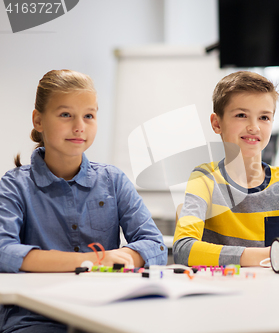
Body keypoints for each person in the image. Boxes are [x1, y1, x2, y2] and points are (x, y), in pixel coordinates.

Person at [0, 69, 167, 332]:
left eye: (89, 115)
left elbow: (156, 246)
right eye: (66, 114)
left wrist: (124, 256)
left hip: (105, 313)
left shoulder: (113, 180)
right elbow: (3, 252)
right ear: (38, 120)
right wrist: (94, 261)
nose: (79, 126)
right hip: (35, 318)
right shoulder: (14, 186)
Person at [173, 71, 279, 267]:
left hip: (276, 291)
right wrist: (271, 255)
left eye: (264, 117)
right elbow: (183, 250)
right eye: (241, 115)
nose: (254, 127)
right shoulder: (204, 179)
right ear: (216, 123)